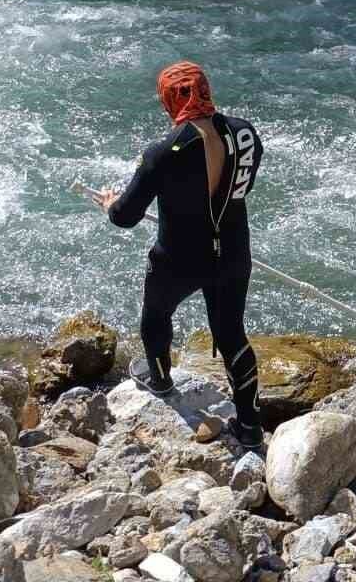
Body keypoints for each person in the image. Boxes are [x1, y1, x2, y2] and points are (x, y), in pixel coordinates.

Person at [98, 62, 266, 448]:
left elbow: (125, 216)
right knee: (232, 335)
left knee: (155, 316)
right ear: (206, 90)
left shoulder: (162, 153)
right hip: (233, 252)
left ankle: (159, 380)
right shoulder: (245, 134)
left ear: (169, 100)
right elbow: (242, 185)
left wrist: (109, 203)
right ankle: (250, 427)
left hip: (179, 258)